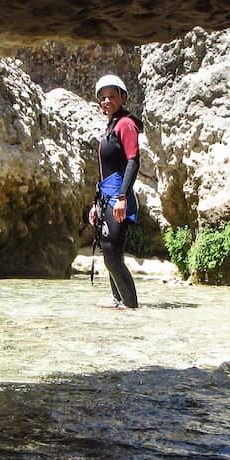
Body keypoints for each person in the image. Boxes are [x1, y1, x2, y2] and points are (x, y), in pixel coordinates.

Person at [91, 74, 142, 309]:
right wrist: (96, 203)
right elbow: (104, 170)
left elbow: (133, 161)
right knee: (109, 253)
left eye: (112, 96)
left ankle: (131, 307)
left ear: (123, 97)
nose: (107, 101)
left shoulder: (125, 124)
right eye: (103, 97)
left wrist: (121, 197)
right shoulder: (110, 127)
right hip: (106, 198)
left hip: (118, 197)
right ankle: (118, 301)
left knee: (113, 256)